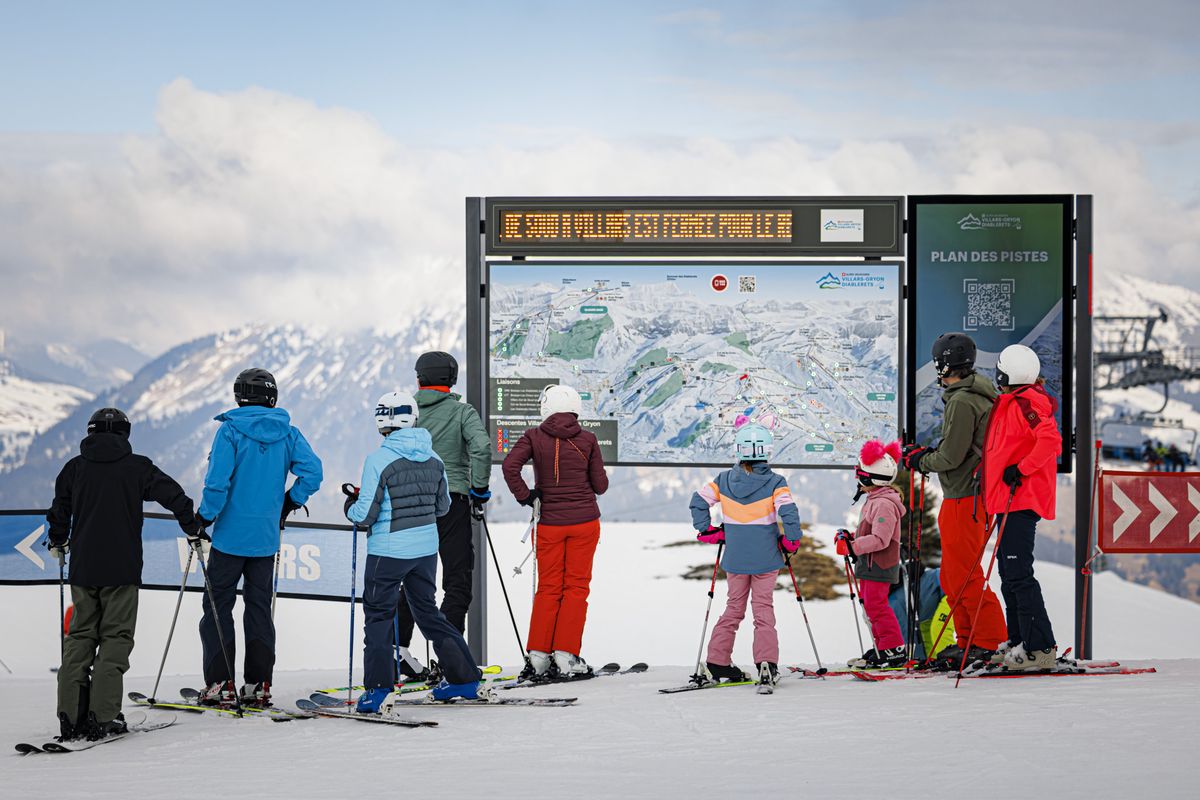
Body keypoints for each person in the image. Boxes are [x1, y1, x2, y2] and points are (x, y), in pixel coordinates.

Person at [46, 408, 199, 741]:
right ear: (125, 433)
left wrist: (58, 541)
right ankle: (102, 718)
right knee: (115, 639)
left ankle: (70, 717)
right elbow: (174, 496)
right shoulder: (137, 467)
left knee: (80, 638)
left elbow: (59, 512)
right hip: (122, 570)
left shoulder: (74, 468)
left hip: (83, 570)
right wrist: (192, 527)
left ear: (91, 432)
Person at [345, 391, 484, 710]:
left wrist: (350, 507)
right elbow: (443, 506)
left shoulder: (378, 460)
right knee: (429, 613)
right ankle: (463, 678)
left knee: (379, 617)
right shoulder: (434, 458)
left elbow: (365, 514)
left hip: (388, 551)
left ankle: (378, 691)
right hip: (425, 551)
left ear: (382, 420)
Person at [196, 368, 323, 706]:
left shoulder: (229, 431)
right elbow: (313, 472)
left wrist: (204, 517)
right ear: (271, 396)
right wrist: (290, 501)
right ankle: (259, 684)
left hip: (228, 539)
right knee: (259, 609)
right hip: (265, 540)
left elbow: (217, 483)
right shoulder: (289, 433)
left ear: (239, 396)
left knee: (217, 607)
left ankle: (220, 684)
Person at [902, 332, 1007, 665]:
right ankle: (968, 640)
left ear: (944, 364)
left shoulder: (962, 401)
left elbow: (950, 457)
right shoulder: (975, 394)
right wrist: (926, 456)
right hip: (966, 496)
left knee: (965, 576)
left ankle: (989, 642)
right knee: (952, 576)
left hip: (966, 498)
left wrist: (919, 460)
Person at [392, 351, 492, 681]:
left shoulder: (407, 412)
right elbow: (481, 447)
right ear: (452, 379)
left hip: (412, 503)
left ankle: (398, 651)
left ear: (419, 378)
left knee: (411, 578)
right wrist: (479, 489)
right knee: (457, 579)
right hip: (452, 501)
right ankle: (450, 658)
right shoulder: (462, 412)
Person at [501, 383, 609, 680]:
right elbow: (600, 486)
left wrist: (527, 496)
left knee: (548, 587)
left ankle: (538, 656)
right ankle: (565, 655)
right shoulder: (588, 439)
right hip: (585, 523)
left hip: (548, 523)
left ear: (546, 407)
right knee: (576, 588)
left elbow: (510, 467)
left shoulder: (533, 436)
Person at [689, 422, 803, 688]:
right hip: (766, 558)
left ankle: (718, 662)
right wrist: (791, 541)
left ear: (739, 450)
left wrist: (707, 530)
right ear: (767, 451)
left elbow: (698, 501)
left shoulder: (723, 480)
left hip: (736, 559)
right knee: (763, 610)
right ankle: (766, 664)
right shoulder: (776, 483)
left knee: (733, 608)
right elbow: (789, 512)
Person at [981, 344, 1062, 671]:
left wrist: (1022, 469)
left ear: (1003, 374)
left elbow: (1051, 440)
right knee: (1008, 573)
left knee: (1018, 573)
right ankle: (1018, 642)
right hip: (1008, 499)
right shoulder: (1013, 401)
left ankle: (1039, 648)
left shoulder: (1027, 402)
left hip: (1021, 498)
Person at [838, 440, 907, 669]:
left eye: (860, 475)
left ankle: (893, 648)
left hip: (879, 564)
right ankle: (882, 647)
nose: (857, 479)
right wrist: (851, 538)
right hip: (869, 564)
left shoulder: (884, 504)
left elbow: (880, 539)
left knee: (877, 606)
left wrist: (852, 547)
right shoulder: (874, 500)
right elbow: (870, 532)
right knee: (870, 606)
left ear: (871, 479)